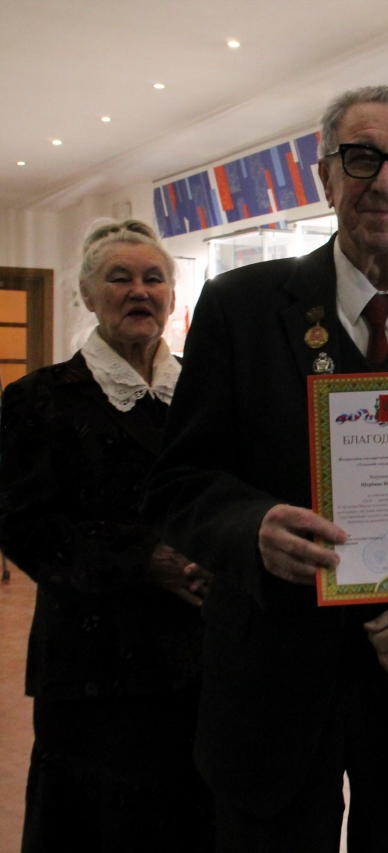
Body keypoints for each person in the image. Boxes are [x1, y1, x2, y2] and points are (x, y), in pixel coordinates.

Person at [142, 86, 388, 852]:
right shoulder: (239, 308)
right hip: (272, 674)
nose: (386, 181)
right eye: (362, 158)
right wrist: (251, 528)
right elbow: (179, 482)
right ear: (325, 176)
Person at [0, 219, 214, 851]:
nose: (139, 291)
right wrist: (147, 560)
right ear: (88, 295)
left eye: (154, 278)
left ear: (172, 296)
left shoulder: (204, 393)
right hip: (92, 664)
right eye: (119, 278)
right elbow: (22, 525)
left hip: (199, 654)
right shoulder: (40, 398)